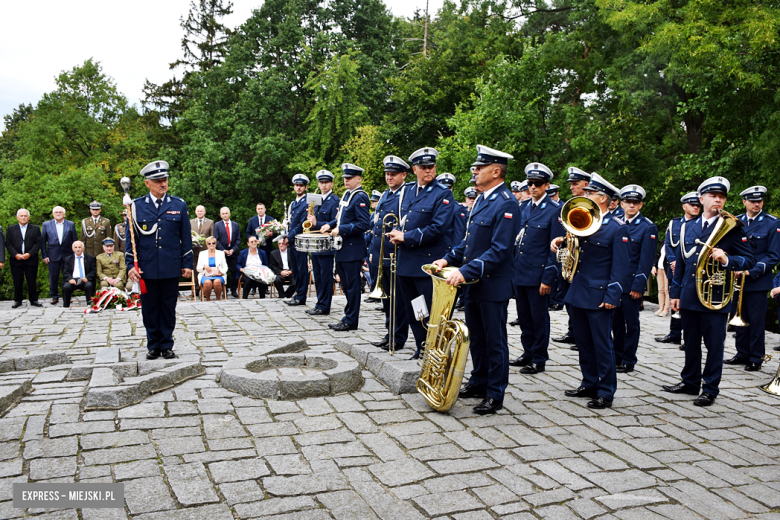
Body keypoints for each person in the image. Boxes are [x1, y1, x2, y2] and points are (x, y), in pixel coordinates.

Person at [433, 144, 520, 415]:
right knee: (477, 338)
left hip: (491, 284)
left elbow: (500, 250)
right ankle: (480, 381)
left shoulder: (506, 203)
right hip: (473, 283)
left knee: (495, 341)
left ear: (496, 171)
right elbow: (470, 243)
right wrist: (448, 259)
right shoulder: (482, 199)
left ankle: (495, 393)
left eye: (480, 168)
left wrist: (466, 271)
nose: (475, 171)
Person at [665, 176, 755, 406]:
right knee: (690, 341)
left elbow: (749, 259)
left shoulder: (733, 226)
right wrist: (675, 293)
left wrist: (727, 259)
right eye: (713, 196)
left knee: (714, 344)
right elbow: (683, 263)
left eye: (722, 197)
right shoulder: (687, 226)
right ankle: (690, 381)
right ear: (701, 198)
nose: (718, 200)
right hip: (690, 293)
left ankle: (710, 388)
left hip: (715, 294)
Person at [552, 173, 631, 409]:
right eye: (585, 192)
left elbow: (621, 267)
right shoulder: (583, 221)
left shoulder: (617, 228)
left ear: (603, 198)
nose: (584, 196)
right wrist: (560, 242)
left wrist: (612, 296)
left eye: (590, 193)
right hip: (578, 291)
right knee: (584, 342)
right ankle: (589, 382)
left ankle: (606, 391)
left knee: (602, 344)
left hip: (599, 294)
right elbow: (577, 252)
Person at [387, 147, 456, 359]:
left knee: (430, 309)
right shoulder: (407, 191)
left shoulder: (442, 193)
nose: (428, 171)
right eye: (424, 168)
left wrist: (406, 237)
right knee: (415, 310)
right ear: (415, 169)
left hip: (426, 263)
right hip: (407, 262)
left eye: (431, 167)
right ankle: (422, 345)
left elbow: (438, 228)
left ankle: (434, 347)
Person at [126, 160, 193, 360]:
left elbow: (186, 237)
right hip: (146, 267)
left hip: (171, 265)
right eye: (158, 181)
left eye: (164, 180)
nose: (163, 184)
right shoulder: (136, 206)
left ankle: (166, 344)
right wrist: (131, 265)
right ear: (147, 183)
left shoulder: (178, 204)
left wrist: (187, 264)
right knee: (149, 308)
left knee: (168, 307)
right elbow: (132, 240)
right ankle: (153, 344)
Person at [508, 162, 562, 374]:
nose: (533, 187)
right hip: (520, 272)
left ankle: (539, 357)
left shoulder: (554, 211)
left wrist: (548, 277)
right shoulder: (523, 207)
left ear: (546, 185)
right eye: (530, 183)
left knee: (539, 319)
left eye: (538, 184)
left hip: (538, 273)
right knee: (524, 316)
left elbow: (555, 248)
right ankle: (527, 352)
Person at [726, 186, 780, 371]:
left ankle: (756, 357)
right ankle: (741, 353)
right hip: (737, 279)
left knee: (756, 321)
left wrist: (750, 271)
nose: (756, 204)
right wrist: (731, 265)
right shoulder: (736, 221)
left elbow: (773, 255)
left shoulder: (772, 223)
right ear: (744, 202)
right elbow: (731, 248)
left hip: (757, 279)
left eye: (759, 201)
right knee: (739, 317)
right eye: (752, 201)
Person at [612, 185, 657, 373]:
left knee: (631, 324)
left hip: (631, 283)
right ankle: (617, 356)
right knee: (615, 323)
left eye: (635, 203)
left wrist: (639, 285)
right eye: (628, 202)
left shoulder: (647, 227)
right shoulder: (615, 222)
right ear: (621, 204)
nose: (631, 205)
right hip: (615, 283)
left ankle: (629, 359)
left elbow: (645, 260)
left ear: (640, 205)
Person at [320, 164, 371, 331]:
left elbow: (363, 224)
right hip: (342, 248)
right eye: (345, 178)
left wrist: (341, 229)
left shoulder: (360, 196)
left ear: (358, 179)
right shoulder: (347, 195)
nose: (346, 180)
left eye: (350, 178)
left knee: (352, 286)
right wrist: (330, 224)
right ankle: (347, 317)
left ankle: (351, 320)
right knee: (346, 286)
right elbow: (340, 218)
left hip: (352, 249)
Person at [368, 155, 411, 352]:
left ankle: (398, 337)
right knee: (387, 300)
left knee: (398, 301)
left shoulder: (406, 194)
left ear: (403, 175)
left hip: (395, 254)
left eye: (393, 174)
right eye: (387, 174)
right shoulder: (386, 194)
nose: (389, 177)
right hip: (381, 254)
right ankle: (389, 333)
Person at [656, 192, 702, 346]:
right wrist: (672, 261)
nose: (696, 207)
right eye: (692, 205)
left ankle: (688, 337)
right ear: (684, 206)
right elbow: (668, 244)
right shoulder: (674, 223)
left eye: (698, 205)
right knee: (674, 298)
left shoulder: (701, 224)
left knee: (689, 302)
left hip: (690, 270)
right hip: (674, 268)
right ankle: (674, 333)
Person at [552, 167, 592, 345]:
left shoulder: (590, 206)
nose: (571, 187)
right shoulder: (572, 204)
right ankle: (573, 331)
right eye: (570, 184)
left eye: (575, 184)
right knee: (569, 299)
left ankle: (581, 335)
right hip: (570, 257)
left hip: (585, 261)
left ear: (586, 184)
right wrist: (561, 239)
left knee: (580, 301)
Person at [303, 170, 340, 315]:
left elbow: (334, 222)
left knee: (325, 276)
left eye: (326, 182)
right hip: (315, 242)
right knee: (317, 275)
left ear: (331, 183)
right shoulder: (316, 200)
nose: (324, 185)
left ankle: (325, 306)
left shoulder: (334, 200)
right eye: (321, 182)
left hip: (326, 243)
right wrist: (310, 220)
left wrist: (317, 223)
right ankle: (319, 303)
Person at [6, 208, 42, 308]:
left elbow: (38, 243)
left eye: (25, 216)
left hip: (30, 259)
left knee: (31, 280)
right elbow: (8, 244)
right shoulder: (11, 229)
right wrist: (15, 254)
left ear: (29, 217)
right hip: (16, 259)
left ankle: (34, 300)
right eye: (21, 216)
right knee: (17, 281)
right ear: (17, 217)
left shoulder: (35, 228)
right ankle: (17, 300)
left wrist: (29, 254)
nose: (23, 217)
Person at [41, 206, 77, 305]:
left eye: (60, 212)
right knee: (53, 276)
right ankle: (54, 296)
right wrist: (44, 255)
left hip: (67, 254)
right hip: (52, 254)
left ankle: (67, 296)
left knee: (68, 276)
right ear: (53, 214)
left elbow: (74, 240)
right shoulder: (46, 224)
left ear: (64, 214)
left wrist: (75, 255)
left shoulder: (70, 224)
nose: (58, 214)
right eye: (56, 212)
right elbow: (43, 241)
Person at [285, 174, 311, 306]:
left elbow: (302, 223)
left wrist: (289, 237)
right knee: (295, 269)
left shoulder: (307, 202)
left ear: (305, 187)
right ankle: (297, 293)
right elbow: (289, 222)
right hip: (291, 241)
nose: (299, 188)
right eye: (296, 185)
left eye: (301, 186)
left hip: (300, 240)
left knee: (301, 269)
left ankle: (301, 296)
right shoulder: (293, 203)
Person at [213, 207, 241, 298]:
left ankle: (233, 289)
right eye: (223, 213)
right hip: (222, 252)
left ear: (229, 214)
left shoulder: (235, 225)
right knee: (222, 270)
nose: (225, 215)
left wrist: (233, 249)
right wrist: (223, 250)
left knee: (233, 271)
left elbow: (238, 239)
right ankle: (223, 289)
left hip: (233, 252)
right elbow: (216, 239)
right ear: (221, 215)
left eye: (226, 213)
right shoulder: (217, 225)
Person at [62, 241, 96, 308]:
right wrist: (70, 279)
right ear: (72, 249)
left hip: (85, 279)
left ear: (83, 248)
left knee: (89, 285)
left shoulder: (90, 258)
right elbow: (65, 272)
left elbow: (93, 271)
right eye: (76, 247)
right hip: (73, 280)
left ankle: (90, 305)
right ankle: (66, 306)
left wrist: (87, 278)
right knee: (66, 287)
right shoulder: (68, 259)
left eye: (79, 247)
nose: (77, 249)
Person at [197, 236, 228, 300]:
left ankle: (218, 299)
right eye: (209, 243)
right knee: (207, 283)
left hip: (218, 275)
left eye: (213, 243)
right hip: (205, 275)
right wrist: (204, 267)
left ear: (216, 244)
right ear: (206, 245)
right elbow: (198, 268)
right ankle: (208, 299)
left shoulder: (221, 253)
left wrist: (221, 272)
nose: (211, 245)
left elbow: (225, 266)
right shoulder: (202, 254)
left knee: (217, 282)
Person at [191, 205, 215, 284]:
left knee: (205, 270)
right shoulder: (190, 222)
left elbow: (212, 237)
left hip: (205, 251)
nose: (199, 212)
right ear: (195, 212)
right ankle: (196, 290)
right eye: (198, 211)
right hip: (194, 250)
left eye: (201, 211)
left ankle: (204, 290)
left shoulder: (210, 222)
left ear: (204, 212)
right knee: (195, 270)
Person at [653, 244, 670, 317]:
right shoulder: (663, 242)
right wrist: (654, 266)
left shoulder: (673, 242)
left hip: (666, 268)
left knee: (667, 290)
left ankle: (666, 309)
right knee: (660, 289)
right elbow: (658, 255)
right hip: (659, 267)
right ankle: (661, 308)